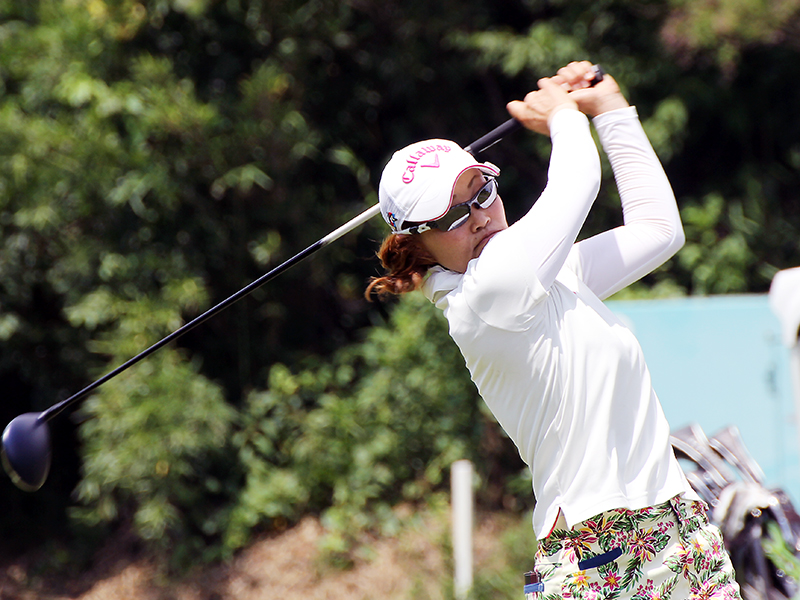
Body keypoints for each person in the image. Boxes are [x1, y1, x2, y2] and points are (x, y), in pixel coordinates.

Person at [366, 62, 741, 599]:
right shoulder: (485, 297)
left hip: (681, 528)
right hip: (599, 552)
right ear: (415, 242)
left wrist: (610, 110)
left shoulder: (545, 275)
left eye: (481, 192)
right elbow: (578, 181)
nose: (479, 217)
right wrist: (563, 116)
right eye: (451, 217)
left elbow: (658, 230)